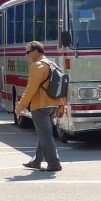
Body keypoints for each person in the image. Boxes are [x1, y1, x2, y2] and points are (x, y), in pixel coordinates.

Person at [15, 41, 66, 172]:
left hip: (40, 106)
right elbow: (61, 87)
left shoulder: (37, 66)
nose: (26, 55)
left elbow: (30, 89)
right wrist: (62, 106)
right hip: (53, 104)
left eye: (27, 52)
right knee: (44, 134)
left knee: (46, 135)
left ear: (36, 52)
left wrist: (20, 106)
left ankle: (54, 163)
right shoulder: (52, 64)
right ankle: (36, 161)